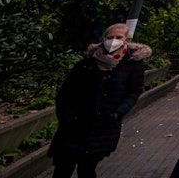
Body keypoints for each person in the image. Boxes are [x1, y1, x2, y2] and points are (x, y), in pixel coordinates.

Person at [49, 23, 152, 178]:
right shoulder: (87, 63)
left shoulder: (132, 64)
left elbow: (134, 91)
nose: (113, 41)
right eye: (110, 37)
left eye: (118, 37)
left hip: (104, 125)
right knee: (63, 167)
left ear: (127, 39)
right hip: (74, 125)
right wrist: (67, 116)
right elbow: (66, 93)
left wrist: (118, 112)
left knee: (87, 169)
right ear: (103, 38)